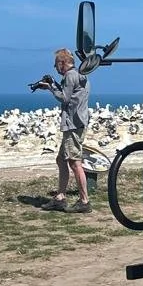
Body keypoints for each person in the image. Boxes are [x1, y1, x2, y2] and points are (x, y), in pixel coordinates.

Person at [44, 47, 92, 212]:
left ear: (62, 63)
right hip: (78, 121)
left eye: (56, 64)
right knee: (61, 159)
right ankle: (60, 197)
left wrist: (51, 87)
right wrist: (54, 85)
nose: (55, 68)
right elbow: (70, 95)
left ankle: (84, 201)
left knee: (74, 161)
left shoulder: (70, 76)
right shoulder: (79, 74)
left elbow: (64, 98)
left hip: (73, 123)